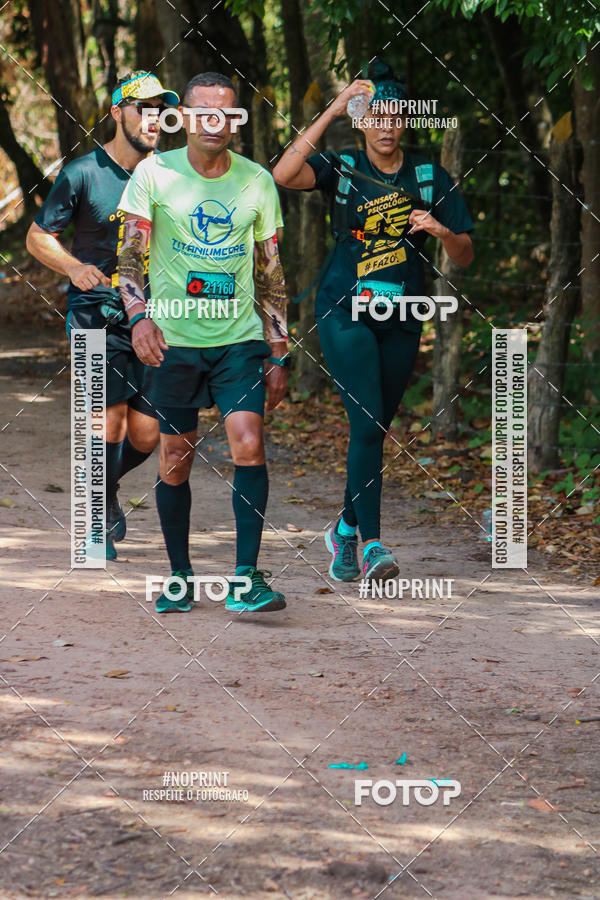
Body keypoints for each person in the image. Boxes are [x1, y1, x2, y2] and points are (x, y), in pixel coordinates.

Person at [273, 61, 474, 583]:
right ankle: (372, 545)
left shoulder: (429, 176)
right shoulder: (341, 167)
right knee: (367, 424)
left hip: (402, 315)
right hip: (344, 310)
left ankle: (343, 528)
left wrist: (440, 231)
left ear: (406, 121)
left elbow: (466, 252)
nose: (386, 127)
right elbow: (283, 174)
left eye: (395, 117)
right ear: (362, 122)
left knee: (375, 428)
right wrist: (333, 109)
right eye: (375, 117)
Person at [117, 71, 289, 614]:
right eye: (204, 112)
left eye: (227, 113)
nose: (216, 122)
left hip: (239, 340)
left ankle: (246, 579)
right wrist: (139, 318)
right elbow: (129, 257)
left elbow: (270, 270)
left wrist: (278, 349)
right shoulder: (154, 173)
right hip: (174, 341)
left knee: (249, 444)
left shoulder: (257, 180)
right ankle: (180, 576)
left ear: (237, 120)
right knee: (175, 457)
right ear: (184, 118)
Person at [26, 70, 179, 560]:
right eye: (143, 109)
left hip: (156, 316)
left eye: (160, 111)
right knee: (105, 422)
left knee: (147, 433)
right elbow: (37, 236)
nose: (153, 119)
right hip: (95, 312)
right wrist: (73, 267)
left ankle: (105, 488)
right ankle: (92, 526)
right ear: (117, 113)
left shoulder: (171, 175)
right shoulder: (82, 173)